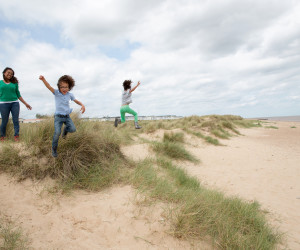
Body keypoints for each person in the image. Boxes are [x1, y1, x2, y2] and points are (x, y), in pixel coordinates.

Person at [39, 75, 85, 157]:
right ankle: (54, 149)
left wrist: (82, 104)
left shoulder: (70, 95)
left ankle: (65, 131)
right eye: (62, 87)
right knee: (57, 133)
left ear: (69, 87)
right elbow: (49, 87)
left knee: (73, 129)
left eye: (66, 87)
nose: (64, 89)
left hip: (67, 117)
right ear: (59, 87)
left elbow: (76, 101)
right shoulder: (56, 93)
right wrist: (43, 80)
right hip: (58, 117)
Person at [0, 67, 32, 141]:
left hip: (15, 103)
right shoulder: (0, 83)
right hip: (3, 104)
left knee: (15, 120)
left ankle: (16, 136)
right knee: (4, 121)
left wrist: (26, 103)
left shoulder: (14, 83)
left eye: (11, 74)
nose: (10, 74)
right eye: (8, 72)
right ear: (4, 73)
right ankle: (2, 136)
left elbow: (18, 94)